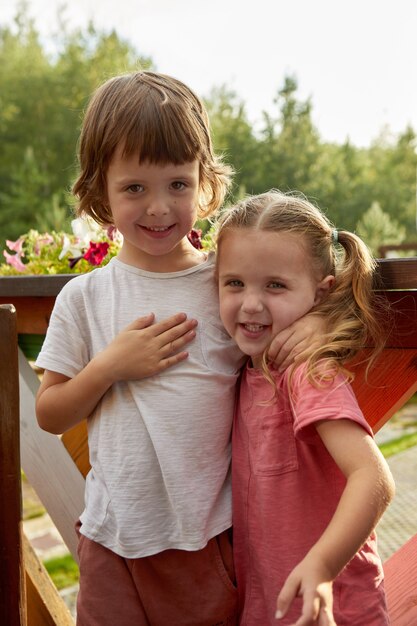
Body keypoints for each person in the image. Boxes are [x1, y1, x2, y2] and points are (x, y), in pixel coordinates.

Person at [35, 73, 322, 626]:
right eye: (134, 188)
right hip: (110, 540)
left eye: (177, 185)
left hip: (206, 542)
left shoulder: (227, 285)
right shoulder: (85, 297)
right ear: (100, 193)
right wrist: (110, 367)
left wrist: (313, 329)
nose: (159, 208)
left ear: (205, 184)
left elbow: (294, 297)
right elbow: (49, 414)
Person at [216, 190, 395, 626]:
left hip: (333, 608)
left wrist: (322, 566)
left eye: (275, 285)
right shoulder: (245, 367)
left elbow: (374, 477)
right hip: (270, 608)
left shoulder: (306, 374)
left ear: (321, 294)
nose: (251, 303)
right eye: (234, 283)